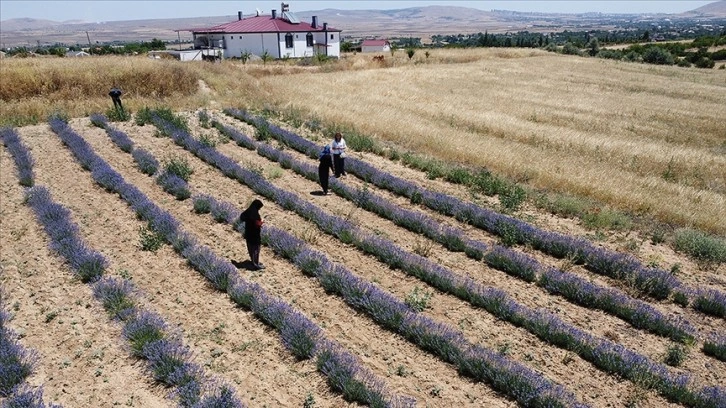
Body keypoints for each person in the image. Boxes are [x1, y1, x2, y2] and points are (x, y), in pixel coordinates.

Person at [239, 199, 265, 270]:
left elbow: (242, 218)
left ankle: (253, 262)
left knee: (250, 248)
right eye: (259, 207)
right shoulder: (255, 215)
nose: (259, 209)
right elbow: (257, 224)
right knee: (256, 249)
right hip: (255, 235)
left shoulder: (248, 211)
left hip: (248, 233)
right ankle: (255, 264)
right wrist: (261, 222)